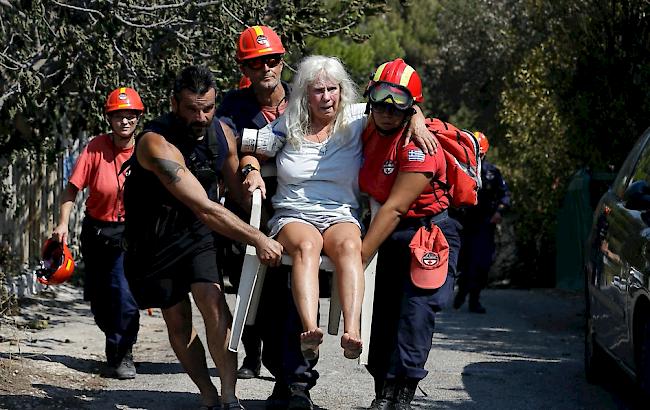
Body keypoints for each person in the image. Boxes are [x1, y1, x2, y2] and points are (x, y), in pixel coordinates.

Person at [240, 55, 436, 363]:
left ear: (342, 91)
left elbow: (396, 102)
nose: (327, 97)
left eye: (332, 89)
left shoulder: (357, 118)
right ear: (305, 93)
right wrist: (250, 169)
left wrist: (417, 117)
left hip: (340, 212)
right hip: (294, 211)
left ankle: (352, 332)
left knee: (349, 246)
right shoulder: (287, 124)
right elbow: (249, 148)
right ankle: (310, 331)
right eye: (318, 91)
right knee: (307, 245)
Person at [122, 65, 283, 410]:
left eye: (207, 108)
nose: (201, 116)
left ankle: (228, 395)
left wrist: (253, 181)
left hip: (198, 234)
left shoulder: (222, 131)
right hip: (154, 240)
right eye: (192, 109)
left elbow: (237, 192)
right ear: (174, 104)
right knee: (178, 320)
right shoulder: (155, 143)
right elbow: (204, 206)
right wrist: (258, 238)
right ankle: (206, 393)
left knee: (213, 304)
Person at [216, 25, 318, 410]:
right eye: (257, 63)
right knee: (256, 309)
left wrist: (416, 115)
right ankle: (282, 376)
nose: (266, 68)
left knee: (294, 297)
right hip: (250, 218)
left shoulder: (305, 97)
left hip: (300, 215)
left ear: (282, 59)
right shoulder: (232, 107)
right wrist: (248, 166)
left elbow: (361, 112)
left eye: (273, 59)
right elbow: (225, 150)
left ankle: (298, 385)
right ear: (244, 66)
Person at [358, 58, 462, 410]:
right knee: (383, 311)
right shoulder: (368, 125)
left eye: (399, 103)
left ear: (411, 105)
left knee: (416, 313)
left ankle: (403, 392)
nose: (388, 110)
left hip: (427, 232)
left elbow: (396, 208)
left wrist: (356, 259)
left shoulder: (420, 146)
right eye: (380, 99)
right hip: (388, 231)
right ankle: (382, 390)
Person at [51, 87, 143, 380]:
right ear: (109, 119)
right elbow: (71, 189)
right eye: (118, 117)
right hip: (96, 231)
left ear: (138, 119)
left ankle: (123, 353)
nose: (124, 122)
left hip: (129, 234)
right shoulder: (94, 148)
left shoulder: (147, 149)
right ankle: (113, 345)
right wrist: (63, 223)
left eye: (130, 117)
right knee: (99, 298)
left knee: (123, 295)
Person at [453, 131, 511, 313]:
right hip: (464, 224)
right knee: (464, 262)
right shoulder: (459, 169)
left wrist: (499, 212)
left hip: (485, 225)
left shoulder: (493, 173)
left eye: (480, 153)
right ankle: (462, 291)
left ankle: (474, 300)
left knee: (482, 263)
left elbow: (505, 196)